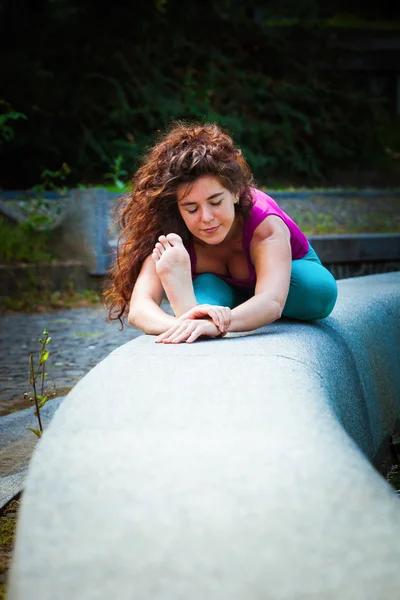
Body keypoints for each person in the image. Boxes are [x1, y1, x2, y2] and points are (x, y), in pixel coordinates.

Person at [104, 122, 338, 344]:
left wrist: (219, 325)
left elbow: (273, 301)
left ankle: (212, 309)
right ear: (177, 208)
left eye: (215, 202)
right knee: (206, 298)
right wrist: (181, 325)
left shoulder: (264, 223)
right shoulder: (170, 231)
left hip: (288, 283)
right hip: (219, 289)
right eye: (191, 208)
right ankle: (194, 307)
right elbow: (139, 308)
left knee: (316, 291)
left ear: (236, 193)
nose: (206, 217)